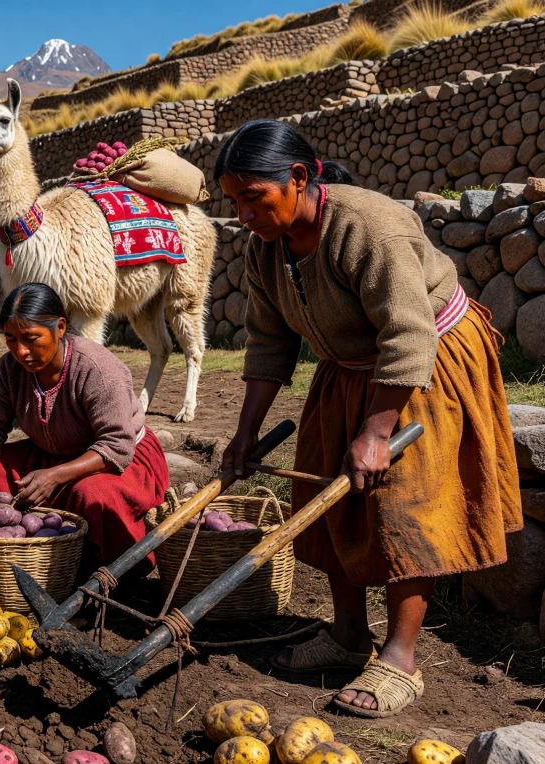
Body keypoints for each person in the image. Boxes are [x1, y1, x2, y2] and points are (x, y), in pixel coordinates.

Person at [215, 119, 521, 717]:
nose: (243, 215)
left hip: (427, 358)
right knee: (333, 494)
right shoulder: (265, 247)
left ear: (297, 178)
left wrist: (378, 432)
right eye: (233, 202)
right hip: (347, 367)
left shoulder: (366, 226)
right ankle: (348, 634)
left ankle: (401, 656)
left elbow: (407, 333)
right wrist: (245, 432)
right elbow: (268, 342)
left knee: (405, 499)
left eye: (253, 198)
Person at [0, 283, 170, 570]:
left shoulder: (97, 369)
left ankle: (107, 571)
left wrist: (55, 476)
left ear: (60, 328)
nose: (21, 351)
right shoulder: (10, 369)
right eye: (11, 339)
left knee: (93, 495)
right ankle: (0, 560)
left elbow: (117, 446)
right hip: (50, 457)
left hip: (115, 463)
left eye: (31, 338)